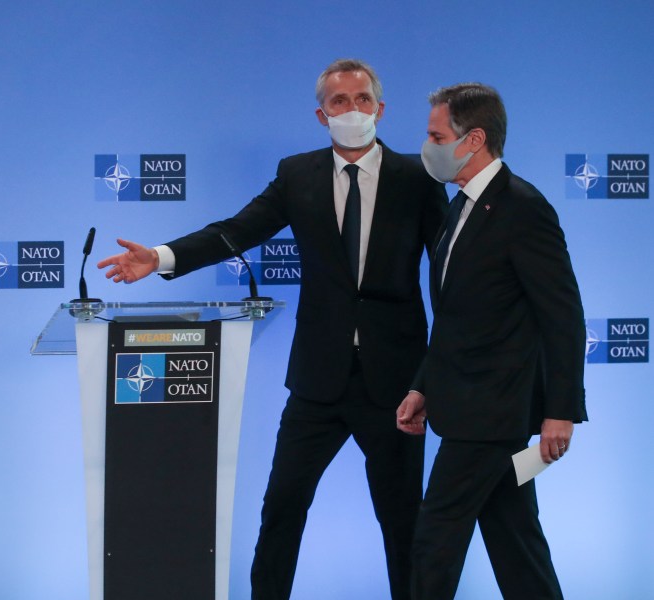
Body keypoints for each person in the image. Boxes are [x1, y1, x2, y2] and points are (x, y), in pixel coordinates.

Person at [98, 59, 447, 600]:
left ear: (380, 108)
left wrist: (431, 377)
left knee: (404, 524)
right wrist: (162, 257)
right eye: (338, 101)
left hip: (396, 384)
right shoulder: (296, 175)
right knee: (281, 511)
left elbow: (449, 277)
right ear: (320, 114)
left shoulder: (420, 178)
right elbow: (235, 231)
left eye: (361, 99)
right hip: (316, 382)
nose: (351, 110)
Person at [396, 83, 588, 600]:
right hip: (463, 405)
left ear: (473, 138)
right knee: (515, 542)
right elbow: (457, 319)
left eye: (436, 134)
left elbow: (563, 315)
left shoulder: (524, 208)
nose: (427, 144)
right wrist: (423, 386)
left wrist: (561, 410)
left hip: (491, 415)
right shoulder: (459, 207)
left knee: (434, 542)